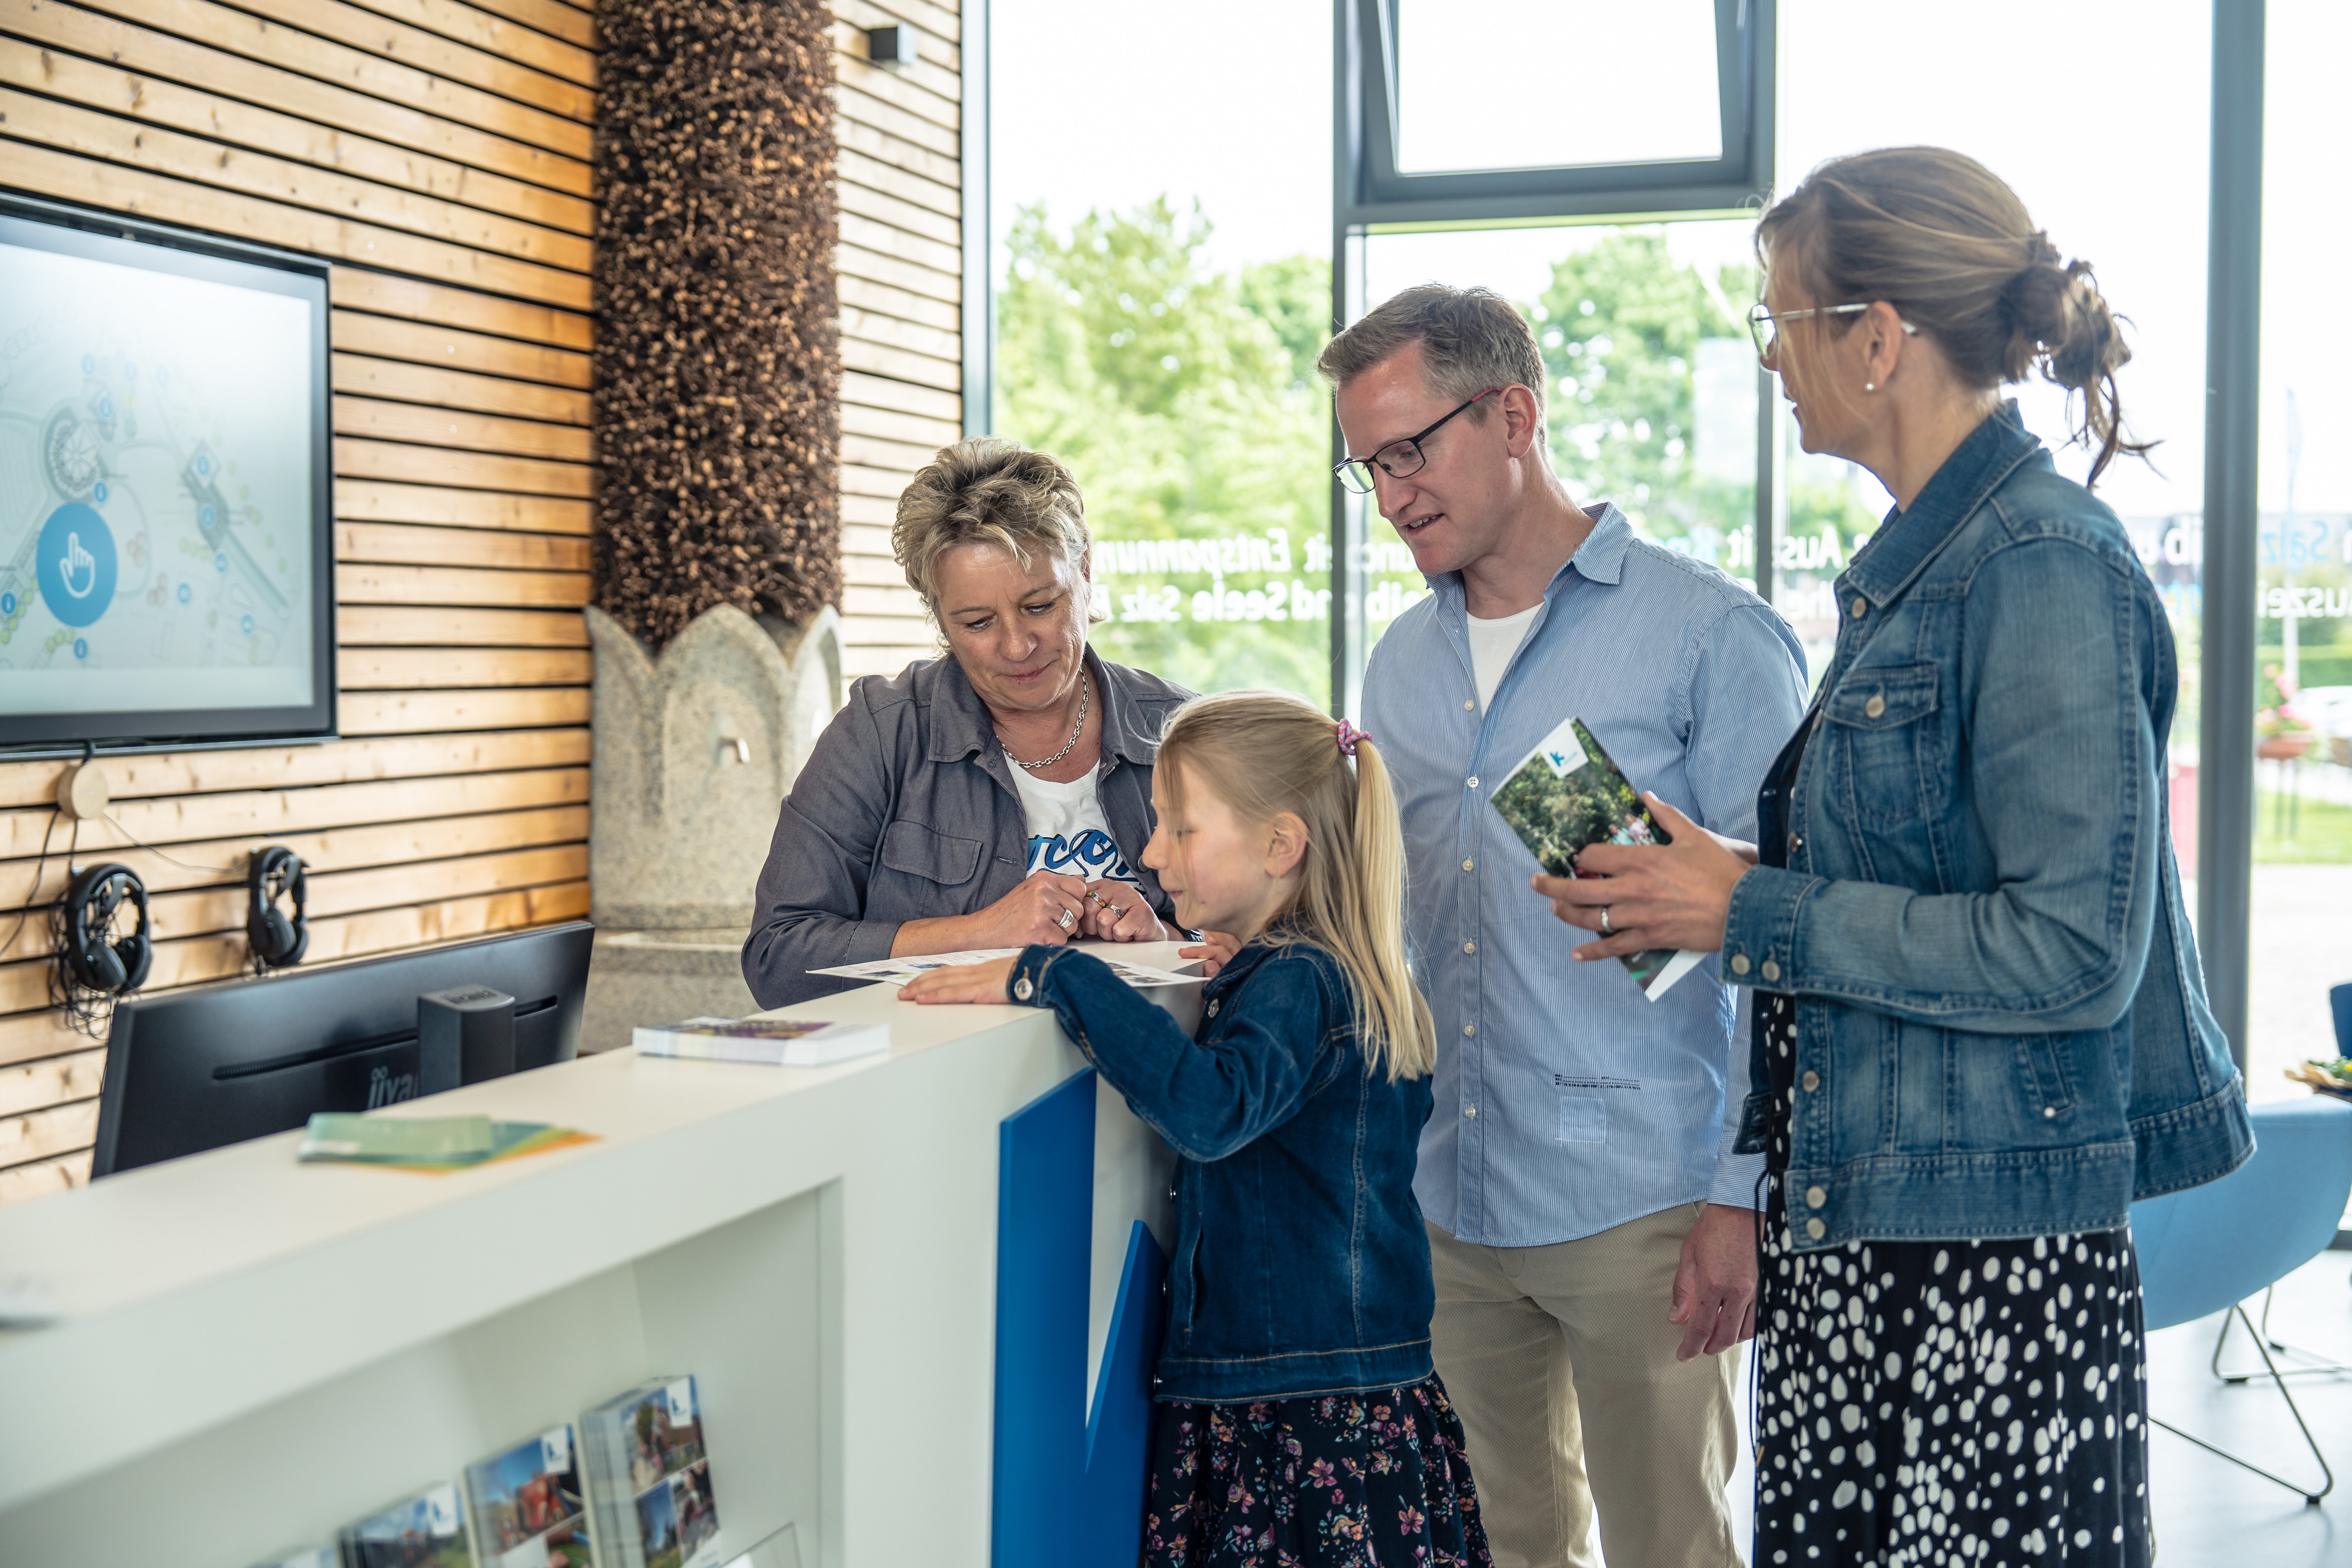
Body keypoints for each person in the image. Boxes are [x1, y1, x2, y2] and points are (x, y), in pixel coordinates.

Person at [1539, 147, 2253, 1567]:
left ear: (1874, 338)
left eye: (1780, 324)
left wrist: (1759, 906)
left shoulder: (2040, 565)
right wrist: (1725, 885)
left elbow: (2071, 950)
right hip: (1869, 1240)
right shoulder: (1923, 570)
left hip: (1979, 1262)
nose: (1770, 363)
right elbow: (1929, 878)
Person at [1325, 285, 1807, 1568]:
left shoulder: (1709, 636)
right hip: (1452, 1193)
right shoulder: (1396, 667)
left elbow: (1791, 946)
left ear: (1514, 415)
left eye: (1410, 449)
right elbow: (1403, 921)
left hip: (1646, 1202)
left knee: (1672, 1550)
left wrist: (1739, 1195)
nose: (1390, 494)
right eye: (1367, 465)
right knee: (1497, 1548)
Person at [901, 691, 1492, 1568]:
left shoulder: (1300, 983)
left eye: (1180, 829)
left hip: (1294, 1402)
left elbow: (1210, 1110)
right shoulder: (1318, 972)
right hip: (1332, 1387)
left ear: (1280, 846)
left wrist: (1058, 975)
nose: (1148, 852)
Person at [743, 438, 1202, 1009]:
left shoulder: (1186, 732)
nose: (1018, 645)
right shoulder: (882, 733)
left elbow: (1281, 942)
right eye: (978, 622)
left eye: (1040, 606)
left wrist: (1170, 938)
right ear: (940, 616)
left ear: (1084, 570)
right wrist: (982, 931)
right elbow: (778, 959)